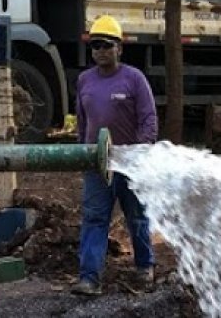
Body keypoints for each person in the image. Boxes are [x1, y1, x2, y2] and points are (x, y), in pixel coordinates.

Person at [72, 15, 158, 296]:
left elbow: (149, 120)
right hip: (97, 163)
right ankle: (89, 278)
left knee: (137, 216)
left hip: (130, 163)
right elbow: (82, 122)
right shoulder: (85, 80)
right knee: (95, 218)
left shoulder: (134, 79)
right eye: (95, 45)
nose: (100, 51)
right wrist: (84, 152)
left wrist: (140, 152)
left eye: (106, 45)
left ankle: (145, 267)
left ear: (119, 47)